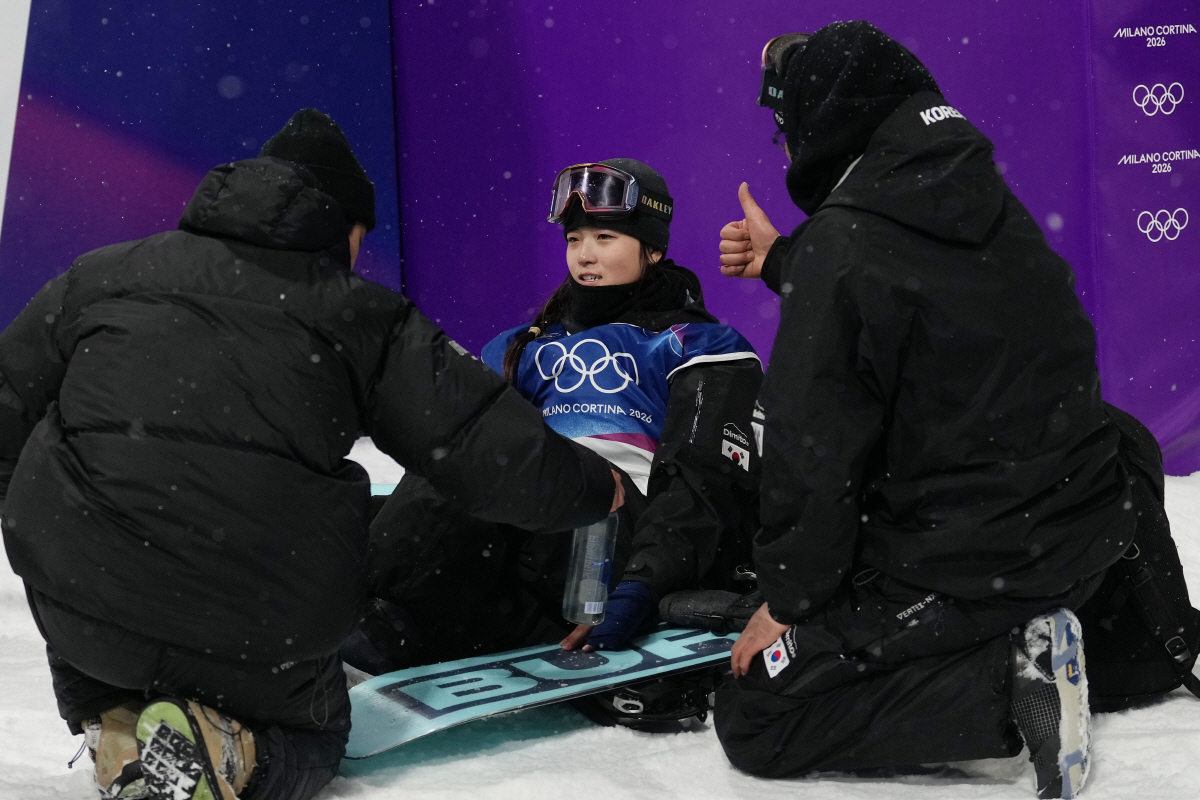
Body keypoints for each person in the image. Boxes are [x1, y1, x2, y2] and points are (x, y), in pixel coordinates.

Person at [0, 109, 622, 800]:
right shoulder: (360, 314)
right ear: (343, 227)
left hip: (85, 616)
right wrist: (600, 487)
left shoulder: (100, 275)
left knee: (86, 550)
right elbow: (489, 455)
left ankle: (116, 717)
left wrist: (60, 547)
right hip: (252, 629)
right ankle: (228, 754)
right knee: (316, 736)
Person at [711, 22, 1134, 798]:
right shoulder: (985, 201)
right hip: (1085, 540)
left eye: (785, 127)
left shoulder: (846, 245)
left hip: (971, 568)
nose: (782, 147)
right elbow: (908, 291)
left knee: (757, 712)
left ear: (823, 124)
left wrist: (790, 599)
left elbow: (811, 454)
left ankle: (1010, 683)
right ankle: (1127, 635)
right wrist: (787, 260)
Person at [355, 159, 763, 698]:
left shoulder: (701, 344)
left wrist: (645, 583)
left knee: (491, 465)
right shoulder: (519, 346)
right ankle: (371, 616)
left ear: (653, 249)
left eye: (605, 237)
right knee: (450, 461)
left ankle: (377, 623)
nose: (585, 254)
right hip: (527, 538)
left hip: (620, 544)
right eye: (574, 239)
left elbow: (704, 482)